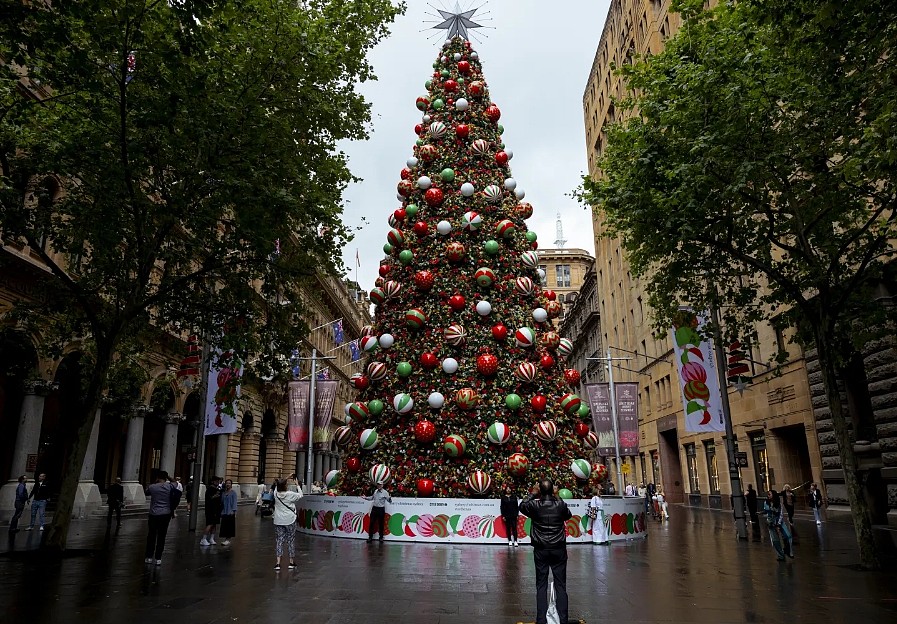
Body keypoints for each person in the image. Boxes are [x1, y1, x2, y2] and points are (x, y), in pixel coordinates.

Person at [520, 479, 572, 624]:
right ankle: (563, 619)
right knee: (560, 585)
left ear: (540, 491)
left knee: (541, 585)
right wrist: (557, 496)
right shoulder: (560, 504)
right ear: (552, 491)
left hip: (541, 549)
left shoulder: (534, 505)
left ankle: (541, 620)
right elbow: (568, 514)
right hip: (558, 549)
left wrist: (533, 494)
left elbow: (522, 506)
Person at [144, 471, 176, 565]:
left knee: (151, 535)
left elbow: (147, 492)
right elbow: (175, 483)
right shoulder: (169, 486)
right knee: (162, 536)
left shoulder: (153, 487)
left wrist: (155, 481)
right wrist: (169, 477)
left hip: (153, 513)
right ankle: (158, 558)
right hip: (165, 513)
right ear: (166, 478)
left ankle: (149, 556)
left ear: (157, 477)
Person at [272, 478, 303, 570]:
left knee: (279, 541)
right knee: (290, 540)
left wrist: (284, 479)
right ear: (285, 486)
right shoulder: (290, 494)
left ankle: (278, 563)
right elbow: (301, 495)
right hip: (290, 519)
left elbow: (277, 485)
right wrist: (297, 485)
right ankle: (291, 562)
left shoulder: (275, 494)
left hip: (278, 520)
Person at [763, 490, 793, 561]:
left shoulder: (779, 503)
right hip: (771, 523)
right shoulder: (766, 503)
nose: (768, 496)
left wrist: (778, 524)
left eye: (770, 494)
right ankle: (781, 555)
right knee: (775, 540)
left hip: (779, 522)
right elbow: (766, 512)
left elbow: (781, 514)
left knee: (788, 536)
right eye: (768, 494)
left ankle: (788, 551)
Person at [200, 476, 222, 546]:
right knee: (210, 524)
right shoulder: (210, 489)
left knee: (214, 524)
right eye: (216, 481)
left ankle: (212, 538)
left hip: (216, 509)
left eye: (218, 481)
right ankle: (203, 539)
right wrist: (215, 496)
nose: (218, 482)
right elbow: (210, 499)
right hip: (211, 509)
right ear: (213, 481)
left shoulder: (217, 489)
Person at [220, 479, 238, 546]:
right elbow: (222, 502)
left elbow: (234, 502)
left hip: (230, 512)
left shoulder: (233, 493)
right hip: (224, 511)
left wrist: (234, 511)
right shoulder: (224, 493)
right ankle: (225, 539)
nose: (228, 484)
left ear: (231, 485)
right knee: (225, 526)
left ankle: (228, 539)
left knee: (229, 526)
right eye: (227, 483)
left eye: (229, 483)